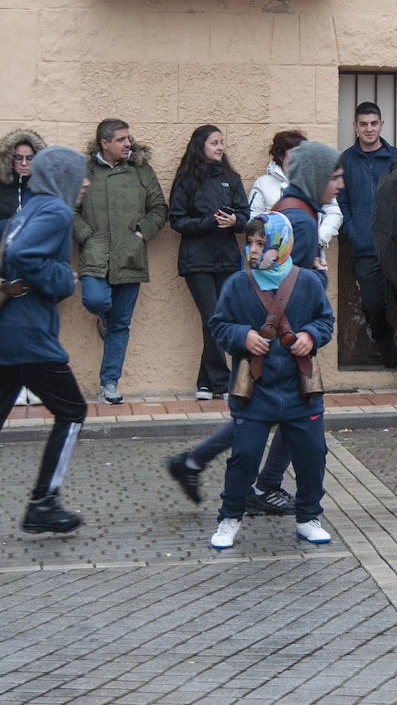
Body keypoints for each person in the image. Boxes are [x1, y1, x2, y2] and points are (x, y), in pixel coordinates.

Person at [165, 142, 344, 517]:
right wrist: (316, 289)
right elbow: (284, 286)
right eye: (335, 177)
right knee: (278, 414)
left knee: (266, 416)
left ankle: (203, 464)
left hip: (277, 338)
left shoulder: (297, 210)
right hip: (278, 341)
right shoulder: (299, 220)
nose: (340, 185)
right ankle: (262, 484)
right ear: (316, 177)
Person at [207, 213, 335, 549]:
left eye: (261, 244)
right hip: (254, 390)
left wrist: (310, 336)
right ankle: (229, 519)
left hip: (300, 388)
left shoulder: (308, 282)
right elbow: (219, 326)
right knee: (244, 457)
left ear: (281, 244)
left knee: (313, 455)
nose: (252, 250)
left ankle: (308, 517)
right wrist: (242, 336)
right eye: (250, 242)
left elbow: (326, 321)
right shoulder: (237, 284)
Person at [0, 147, 91, 534]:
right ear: (62, 177)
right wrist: (61, 280)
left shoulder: (29, 208)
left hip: (10, 330)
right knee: (73, 411)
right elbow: (22, 254)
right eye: (80, 175)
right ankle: (43, 503)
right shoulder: (55, 210)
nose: (85, 182)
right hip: (29, 335)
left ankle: (43, 503)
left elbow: (10, 252)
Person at [74, 119, 169, 404]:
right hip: (94, 253)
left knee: (121, 324)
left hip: (130, 255)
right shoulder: (85, 171)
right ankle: (104, 315)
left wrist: (141, 234)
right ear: (105, 143)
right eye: (122, 139)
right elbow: (70, 208)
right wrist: (86, 236)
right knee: (95, 300)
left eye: (129, 138)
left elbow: (159, 208)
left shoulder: (141, 170)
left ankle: (109, 383)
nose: (129, 144)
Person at [338, 102, 397, 390]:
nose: (369, 129)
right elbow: (341, 200)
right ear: (356, 127)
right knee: (372, 304)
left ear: (381, 125)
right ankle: (385, 341)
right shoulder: (345, 161)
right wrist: (352, 228)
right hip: (364, 246)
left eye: (374, 123)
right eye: (363, 124)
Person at [169, 125, 250, 400]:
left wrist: (235, 221)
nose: (220, 147)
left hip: (227, 259)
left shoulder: (232, 178)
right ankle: (222, 381)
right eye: (214, 143)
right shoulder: (186, 180)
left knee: (218, 318)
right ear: (200, 146)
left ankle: (205, 383)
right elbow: (177, 220)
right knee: (213, 317)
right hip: (197, 261)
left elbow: (245, 216)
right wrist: (209, 222)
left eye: (221, 142)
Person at [0, 129, 45, 407]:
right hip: (4, 267)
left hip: (32, 266)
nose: (24, 164)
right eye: (19, 158)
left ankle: (32, 383)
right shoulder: (1, 187)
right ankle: (14, 386)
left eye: (30, 158)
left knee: (33, 325)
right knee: (9, 328)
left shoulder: (41, 190)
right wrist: (13, 228)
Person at [247, 130, 343, 254]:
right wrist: (273, 245)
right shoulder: (263, 183)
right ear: (281, 157)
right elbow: (253, 221)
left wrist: (317, 239)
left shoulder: (316, 182)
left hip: (311, 254)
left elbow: (334, 213)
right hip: (274, 257)